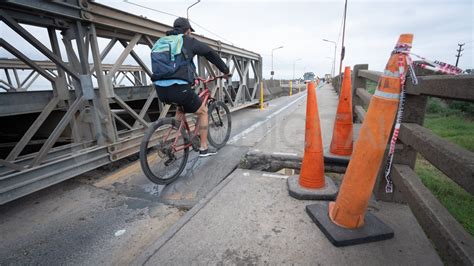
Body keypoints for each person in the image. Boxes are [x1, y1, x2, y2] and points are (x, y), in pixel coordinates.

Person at [153, 17, 230, 157]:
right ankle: (204, 148)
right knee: (203, 112)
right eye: (190, 32)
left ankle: (177, 138)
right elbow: (210, 53)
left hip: (160, 89)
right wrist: (225, 70)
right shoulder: (187, 40)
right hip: (179, 87)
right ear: (187, 31)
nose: (191, 34)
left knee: (181, 108)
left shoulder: (162, 41)